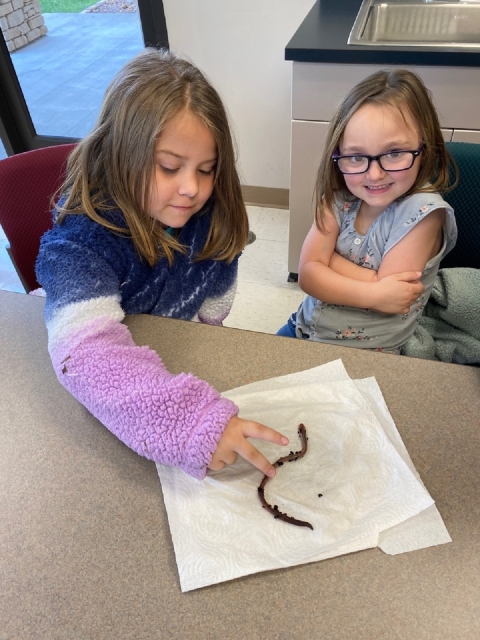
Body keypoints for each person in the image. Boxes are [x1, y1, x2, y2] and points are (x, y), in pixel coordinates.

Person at [36, 48, 288, 480]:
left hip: (174, 361)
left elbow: (215, 296)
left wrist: (212, 340)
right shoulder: (78, 247)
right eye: (169, 167)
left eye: (207, 170)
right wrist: (192, 424)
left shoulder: (211, 217)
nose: (192, 189)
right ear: (119, 155)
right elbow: (84, 355)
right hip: (112, 400)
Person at [278, 69, 457, 353]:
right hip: (303, 329)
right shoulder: (337, 196)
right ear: (338, 154)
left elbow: (394, 297)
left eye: (394, 153)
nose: (374, 175)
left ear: (425, 147)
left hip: (370, 354)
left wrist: (326, 261)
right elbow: (308, 275)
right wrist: (375, 288)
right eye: (356, 157)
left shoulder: (424, 213)